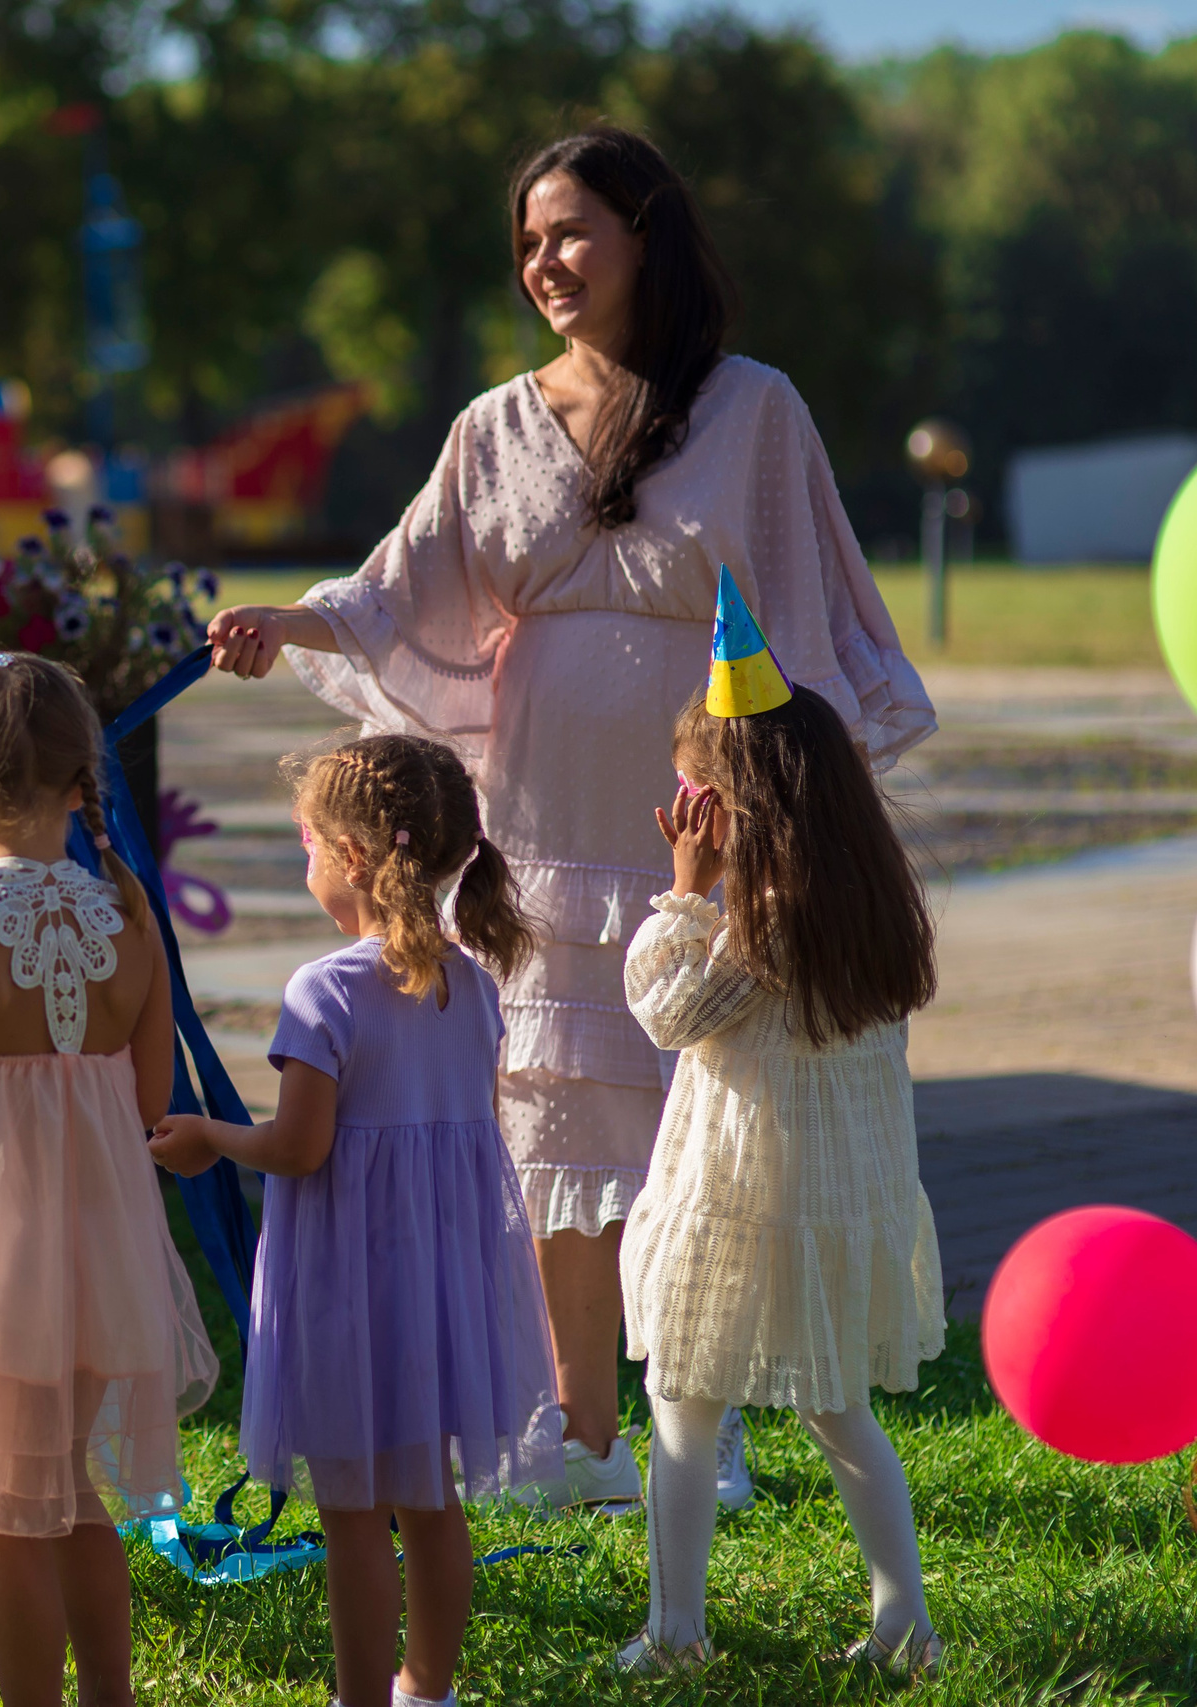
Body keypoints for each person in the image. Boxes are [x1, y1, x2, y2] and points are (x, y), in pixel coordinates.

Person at [203, 126, 934, 1510]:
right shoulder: (492, 425)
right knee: (552, 1135)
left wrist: (787, 813)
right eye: (527, 241)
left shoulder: (756, 408)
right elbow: (400, 586)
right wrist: (288, 620)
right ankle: (581, 1434)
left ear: (645, 233)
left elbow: (798, 613)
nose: (544, 261)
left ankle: (698, 1423)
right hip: (536, 820)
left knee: (698, 1127)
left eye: (571, 232)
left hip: (697, 819)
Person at [150, 733, 559, 1707]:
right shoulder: (472, 986)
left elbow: (300, 1147)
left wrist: (209, 1135)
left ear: (354, 856)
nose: (306, 859)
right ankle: (428, 1690)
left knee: (351, 1515)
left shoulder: (324, 990)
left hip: (346, 1286)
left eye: (307, 842)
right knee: (431, 1500)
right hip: (441, 1286)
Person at [0, 653, 218, 1707]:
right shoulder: (133, 922)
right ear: (80, 784)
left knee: (8, 1512)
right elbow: (149, 1095)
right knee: (72, 1487)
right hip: (105, 1255)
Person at [614, 572, 944, 1674]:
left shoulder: (757, 914)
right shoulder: (856, 898)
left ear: (738, 800)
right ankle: (904, 1624)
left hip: (740, 1195)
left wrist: (681, 890)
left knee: (680, 1403)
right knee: (836, 1408)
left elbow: (668, 1013)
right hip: (829, 1198)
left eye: (695, 788)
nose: (684, 808)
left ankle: (675, 1636)